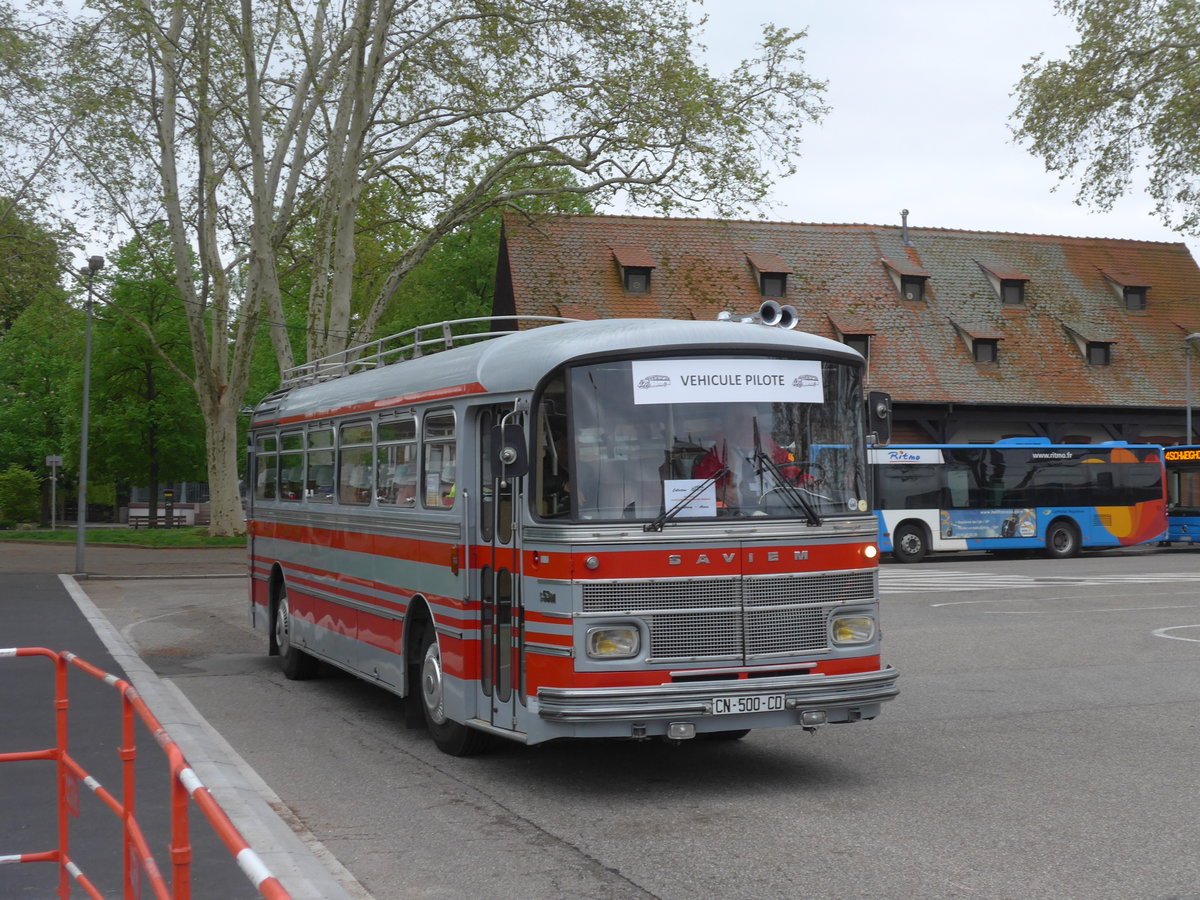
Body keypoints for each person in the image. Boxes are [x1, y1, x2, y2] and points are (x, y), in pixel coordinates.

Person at [692, 405, 810, 511]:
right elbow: (699, 489)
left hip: (777, 509)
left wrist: (807, 480)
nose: (745, 425)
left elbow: (791, 472)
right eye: (738, 421)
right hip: (736, 515)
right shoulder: (715, 456)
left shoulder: (774, 451)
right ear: (727, 425)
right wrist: (717, 491)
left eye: (750, 421)